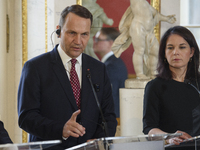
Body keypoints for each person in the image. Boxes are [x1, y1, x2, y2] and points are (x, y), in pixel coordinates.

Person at [18, 5, 117, 149]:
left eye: (84, 34)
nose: (78, 41)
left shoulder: (98, 69)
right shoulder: (35, 68)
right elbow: (26, 118)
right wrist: (61, 129)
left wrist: (98, 141)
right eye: (72, 33)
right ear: (59, 31)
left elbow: (108, 116)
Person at [143, 26, 200, 146]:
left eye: (182, 47)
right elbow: (149, 128)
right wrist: (168, 137)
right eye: (170, 48)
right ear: (164, 53)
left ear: (192, 52)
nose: (175, 52)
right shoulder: (155, 86)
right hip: (172, 147)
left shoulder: (197, 84)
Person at [112, 0, 176, 79]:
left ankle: (153, 72)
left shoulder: (146, 3)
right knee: (139, 50)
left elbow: (155, 14)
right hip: (138, 27)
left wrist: (166, 18)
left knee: (155, 50)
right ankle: (139, 74)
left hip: (149, 30)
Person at [93, 27, 128, 118]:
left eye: (98, 39)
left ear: (110, 43)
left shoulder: (111, 66)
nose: (95, 42)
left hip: (111, 117)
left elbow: (109, 96)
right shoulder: (112, 63)